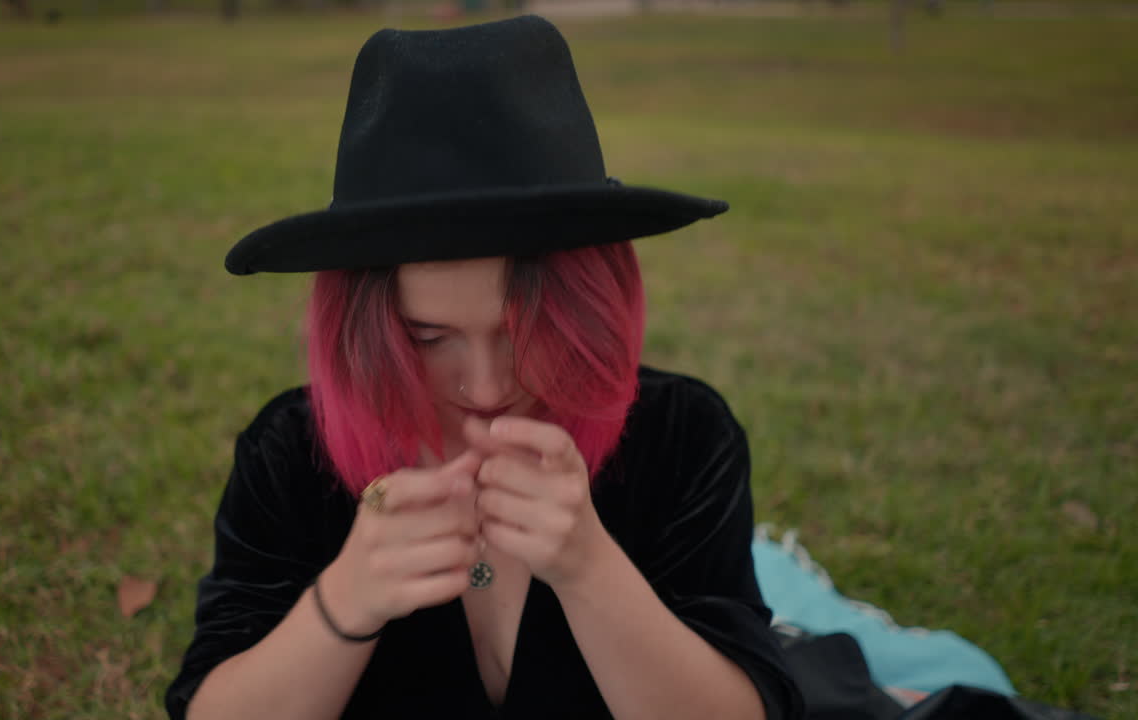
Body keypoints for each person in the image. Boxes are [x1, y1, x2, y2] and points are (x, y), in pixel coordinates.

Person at [167, 15, 803, 720]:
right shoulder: (291, 453)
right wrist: (347, 598)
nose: (489, 387)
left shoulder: (682, 434)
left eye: (526, 333)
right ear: (365, 325)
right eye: (429, 336)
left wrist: (589, 568)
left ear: (589, 309)